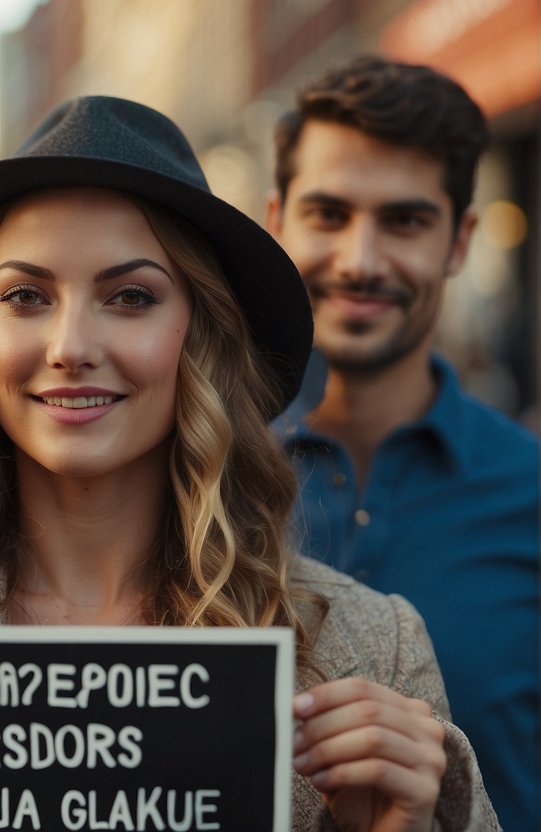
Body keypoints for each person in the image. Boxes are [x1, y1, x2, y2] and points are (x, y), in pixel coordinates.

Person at [0, 96, 499, 830]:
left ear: (202, 338)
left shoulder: (370, 649)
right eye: (25, 295)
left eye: (130, 297)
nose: (70, 346)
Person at [265, 56, 538, 831]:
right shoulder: (193, 482)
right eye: (328, 214)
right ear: (276, 221)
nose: (360, 260)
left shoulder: (530, 493)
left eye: (404, 221)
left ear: (459, 240)